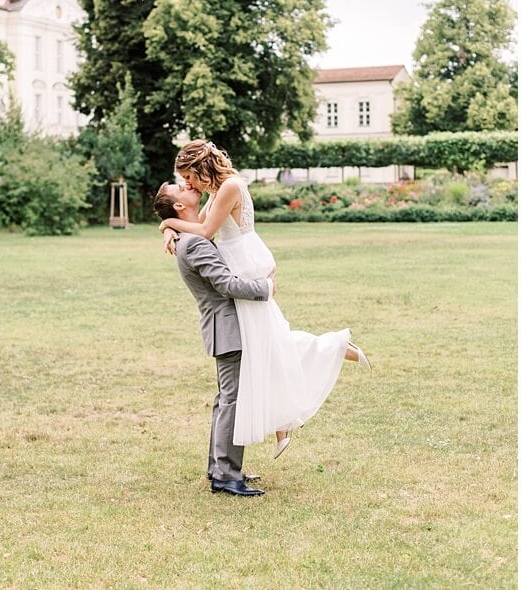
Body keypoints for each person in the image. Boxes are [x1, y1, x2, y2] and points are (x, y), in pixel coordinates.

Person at [155, 140, 370, 460]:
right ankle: (285, 420)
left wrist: (170, 223)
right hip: (238, 263)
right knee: (267, 343)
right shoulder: (216, 190)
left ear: (202, 168)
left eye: (189, 177)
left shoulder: (229, 187)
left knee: (267, 344)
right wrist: (169, 228)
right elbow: (198, 225)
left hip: (244, 265)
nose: (189, 184)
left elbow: (206, 230)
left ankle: (334, 348)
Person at [162, 184, 272, 496]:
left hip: (225, 326)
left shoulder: (192, 235)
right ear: (180, 207)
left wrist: (167, 226)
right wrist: (265, 287)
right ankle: (226, 475)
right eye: (179, 188)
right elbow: (226, 284)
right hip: (227, 326)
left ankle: (219, 468)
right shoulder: (195, 244)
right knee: (232, 401)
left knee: (226, 399)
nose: (186, 185)